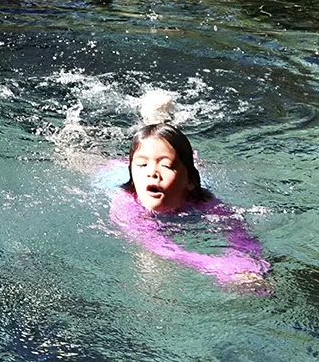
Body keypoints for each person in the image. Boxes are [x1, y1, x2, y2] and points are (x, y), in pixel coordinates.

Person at [109, 123, 269, 289]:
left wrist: (250, 267)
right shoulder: (126, 206)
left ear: (190, 182)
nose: (152, 173)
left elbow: (242, 236)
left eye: (166, 166)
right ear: (133, 175)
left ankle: (159, 122)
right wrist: (223, 269)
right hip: (111, 171)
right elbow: (159, 246)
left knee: (162, 141)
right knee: (151, 268)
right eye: (142, 165)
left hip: (193, 180)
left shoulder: (203, 201)